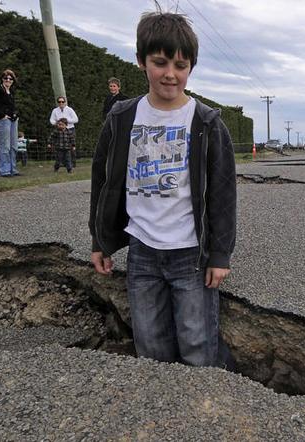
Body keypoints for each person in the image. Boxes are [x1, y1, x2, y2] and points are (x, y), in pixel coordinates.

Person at [89, 10, 236, 369]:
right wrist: (99, 240)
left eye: (180, 65)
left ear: (191, 67)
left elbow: (222, 193)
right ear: (141, 61)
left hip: (191, 254)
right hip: (142, 252)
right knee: (150, 346)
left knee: (197, 345)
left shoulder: (206, 123)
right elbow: (102, 181)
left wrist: (220, 255)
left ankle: (207, 399)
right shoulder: (121, 118)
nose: (170, 73)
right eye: (160, 63)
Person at [0, 69, 20, 177]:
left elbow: (12, 106)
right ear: (2, 79)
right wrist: (2, 115)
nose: (8, 80)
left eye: (11, 78)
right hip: (3, 120)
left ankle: (13, 169)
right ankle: (4, 170)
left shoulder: (12, 92)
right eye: (6, 78)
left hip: (13, 120)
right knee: (5, 145)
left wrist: (16, 115)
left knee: (14, 145)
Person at [49, 96, 79, 167]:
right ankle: (63, 163)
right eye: (59, 102)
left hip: (70, 129)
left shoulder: (70, 110)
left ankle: (72, 163)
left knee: (71, 146)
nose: (61, 103)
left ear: (65, 102)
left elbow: (76, 119)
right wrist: (57, 123)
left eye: (62, 101)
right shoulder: (55, 110)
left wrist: (66, 121)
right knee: (60, 147)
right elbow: (51, 120)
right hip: (59, 130)